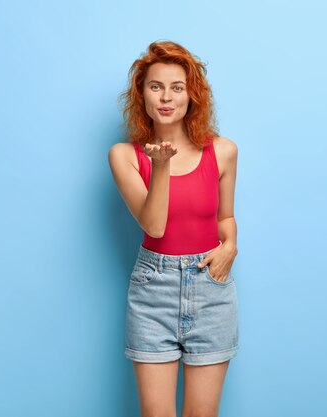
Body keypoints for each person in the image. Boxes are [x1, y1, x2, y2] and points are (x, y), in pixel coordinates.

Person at [108, 40, 239, 417]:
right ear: (142, 95)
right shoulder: (124, 156)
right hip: (154, 290)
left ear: (191, 95)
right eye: (155, 86)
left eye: (176, 87)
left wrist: (231, 245)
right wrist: (161, 164)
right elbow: (154, 224)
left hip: (210, 286)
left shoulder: (224, 151)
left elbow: (225, 217)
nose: (166, 97)